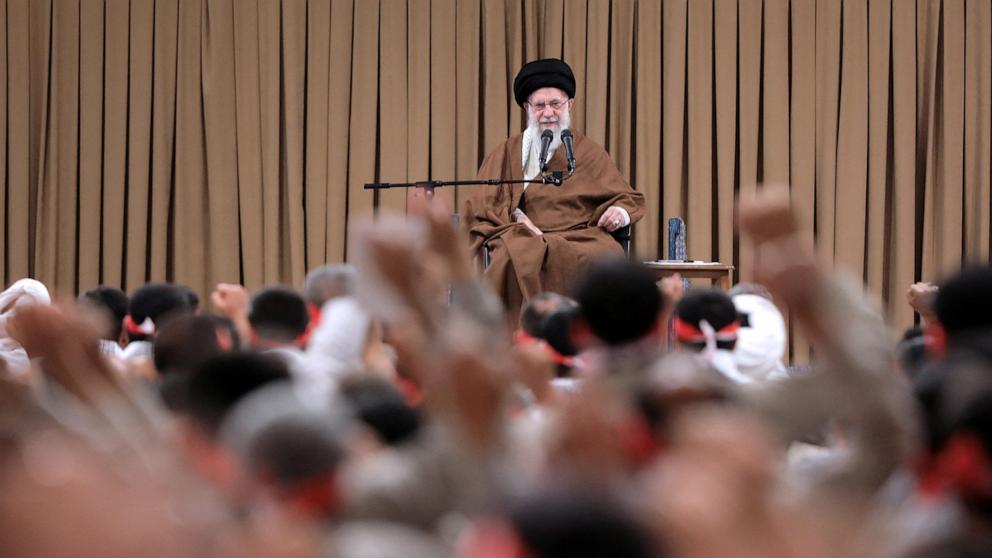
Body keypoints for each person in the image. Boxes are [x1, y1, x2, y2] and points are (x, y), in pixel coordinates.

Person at [463, 58, 645, 322]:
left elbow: (626, 196)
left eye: (555, 104)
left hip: (579, 238)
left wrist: (619, 212)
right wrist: (517, 217)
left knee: (606, 253)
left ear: (569, 105)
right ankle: (516, 340)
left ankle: (591, 336)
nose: (548, 113)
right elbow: (482, 200)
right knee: (511, 255)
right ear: (527, 107)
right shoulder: (507, 152)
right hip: (523, 236)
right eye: (539, 105)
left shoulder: (588, 151)